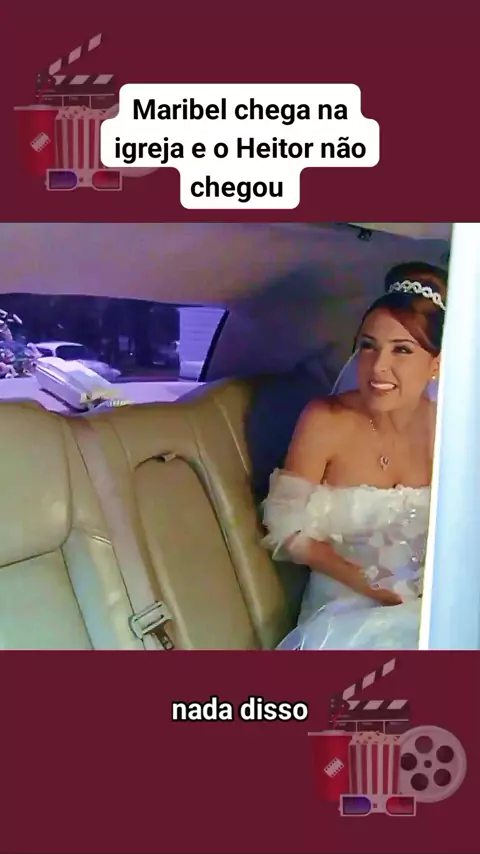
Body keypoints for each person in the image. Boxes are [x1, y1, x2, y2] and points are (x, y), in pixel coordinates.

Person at [262, 267, 447, 649]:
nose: (378, 366)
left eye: (401, 350)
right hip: (345, 613)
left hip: (433, 604)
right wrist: (371, 585)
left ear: (436, 364)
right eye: (368, 346)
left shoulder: (447, 426)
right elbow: (284, 527)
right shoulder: (324, 419)